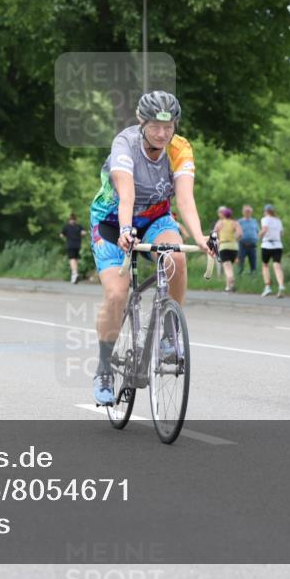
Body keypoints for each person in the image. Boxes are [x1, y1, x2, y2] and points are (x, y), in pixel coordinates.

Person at [88, 91, 212, 405]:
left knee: (177, 258)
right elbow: (126, 194)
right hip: (114, 221)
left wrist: (198, 236)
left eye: (168, 127)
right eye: (155, 126)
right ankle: (104, 367)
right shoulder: (124, 145)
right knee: (117, 293)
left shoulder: (180, 148)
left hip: (157, 218)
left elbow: (184, 199)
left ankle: (169, 333)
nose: (162, 133)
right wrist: (127, 229)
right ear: (142, 122)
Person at [212, 206, 242, 292]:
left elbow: (214, 233)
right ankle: (228, 287)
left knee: (227, 267)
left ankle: (231, 281)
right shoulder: (235, 223)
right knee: (229, 266)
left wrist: (218, 240)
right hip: (234, 247)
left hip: (224, 246)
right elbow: (240, 234)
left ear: (223, 215)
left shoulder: (220, 223)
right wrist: (234, 239)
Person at [259, 204, 285, 298]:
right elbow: (282, 233)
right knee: (277, 265)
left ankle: (267, 286)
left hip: (267, 245)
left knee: (265, 265)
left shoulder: (264, 219)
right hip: (278, 245)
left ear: (266, 211)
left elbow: (264, 229)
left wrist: (259, 235)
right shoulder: (278, 220)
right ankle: (281, 286)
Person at [60, 213, 87, 284]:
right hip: (77, 245)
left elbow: (61, 235)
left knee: (72, 259)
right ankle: (75, 273)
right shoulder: (78, 226)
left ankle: (74, 274)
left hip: (70, 245)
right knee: (75, 259)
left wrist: (64, 236)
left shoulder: (66, 226)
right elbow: (84, 233)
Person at [236, 205, 259, 276]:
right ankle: (239, 276)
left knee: (253, 262)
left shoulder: (254, 221)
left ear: (251, 212)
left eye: (249, 211)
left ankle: (253, 276)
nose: (247, 213)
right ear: (243, 212)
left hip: (253, 245)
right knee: (241, 261)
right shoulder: (239, 221)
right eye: (246, 211)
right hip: (242, 244)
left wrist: (257, 239)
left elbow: (258, 231)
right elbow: (236, 233)